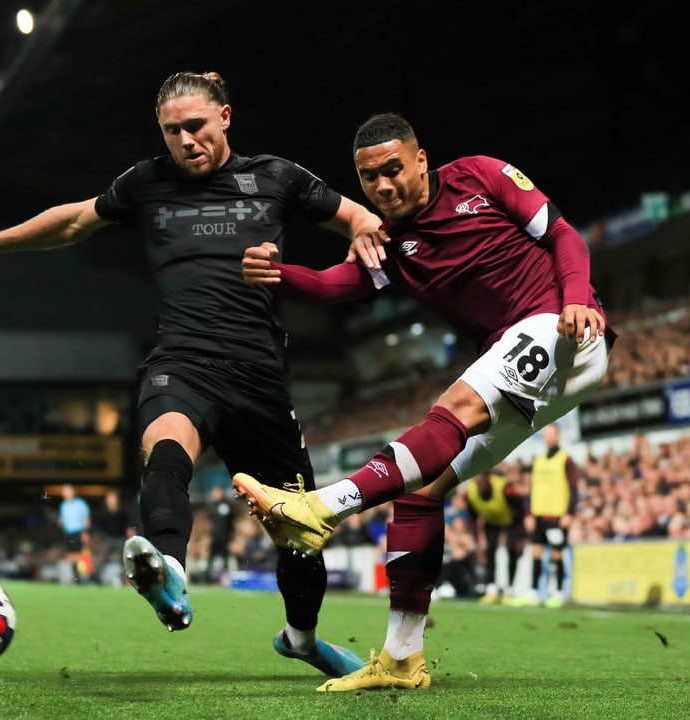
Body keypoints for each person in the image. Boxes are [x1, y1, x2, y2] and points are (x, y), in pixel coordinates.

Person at [0, 71, 382, 677]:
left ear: (224, 116)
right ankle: (168, 569)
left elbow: (357, 218)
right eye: (173, 131)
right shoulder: (146, 183)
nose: (186, 141)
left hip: (261, 379)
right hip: (183, 361)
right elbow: (71, 221)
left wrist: (365, 236)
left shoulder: (277, 176)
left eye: (196, 126)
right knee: (167, 444)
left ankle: (300, 637)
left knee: (299, 532)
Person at [233, 112, 615, 691]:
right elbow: (342, 284)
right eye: (369, 179)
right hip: (518, 350)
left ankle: (322, 507)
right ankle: (402, 658)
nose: (383, 186)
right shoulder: (391, 244)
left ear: (420, 159)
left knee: (456, 406)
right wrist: (279, 273)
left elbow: (563, 234)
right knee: (422, 487)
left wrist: (579, 297)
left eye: (393, 170)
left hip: (561, 328)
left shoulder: (482, 177)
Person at [514, 422, 579, 608]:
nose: (549, 437)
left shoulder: (565, 459)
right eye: (546, 434)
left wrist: (569, 512)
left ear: (558, 436)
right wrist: (529, 513)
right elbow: (532, 489)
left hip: (557, 515)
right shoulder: (539, 460)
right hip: (539, 515)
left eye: (552, 434)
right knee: (536, 552)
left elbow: (574, 488)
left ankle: (558, 592)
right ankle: (533, 591)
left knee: (557, 554)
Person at [465, 468, 526, 603]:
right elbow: (472, 517)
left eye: (483, 478)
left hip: (511, 521)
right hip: (491, 521)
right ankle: (491, 588)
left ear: (488, 478)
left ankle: (509, 589)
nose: (480, 482)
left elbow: (520, 510)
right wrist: (476, 541)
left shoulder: (505, 489)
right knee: (489, 552)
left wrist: (521, 537)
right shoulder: (470, 492)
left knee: (511, 549)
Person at [58, 483, 92, 584]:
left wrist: (85, 532)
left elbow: (86, 519)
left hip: (78, 532)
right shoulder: (63, 505)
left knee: (79, 555)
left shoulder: (80, 503)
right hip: (68, 533)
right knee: (70, 555)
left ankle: (81, 577)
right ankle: (74, 576)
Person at [205, 485, 236, 581]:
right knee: (211, 556)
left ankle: (225, 578)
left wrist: (232, 535)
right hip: (214, 536)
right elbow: (208, 521)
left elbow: (231, 521)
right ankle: (207, 577)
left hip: (225, 536)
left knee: (225, 557)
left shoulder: (227, 505)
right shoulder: (211, 506)